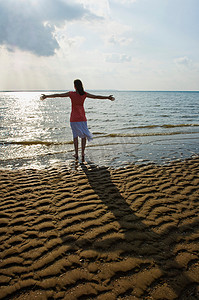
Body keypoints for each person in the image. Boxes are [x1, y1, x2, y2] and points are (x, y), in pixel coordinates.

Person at [41, 79, 115, 161]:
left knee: (75, 136)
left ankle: (76, 154)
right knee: (83, 136)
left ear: (75, 86)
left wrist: (46, 96)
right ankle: (82, 153)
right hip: (82, 118)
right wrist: (108, 97)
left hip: (74, 119)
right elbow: (96, 97)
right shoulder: (84, 94)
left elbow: (58, 95)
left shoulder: (71, 94)